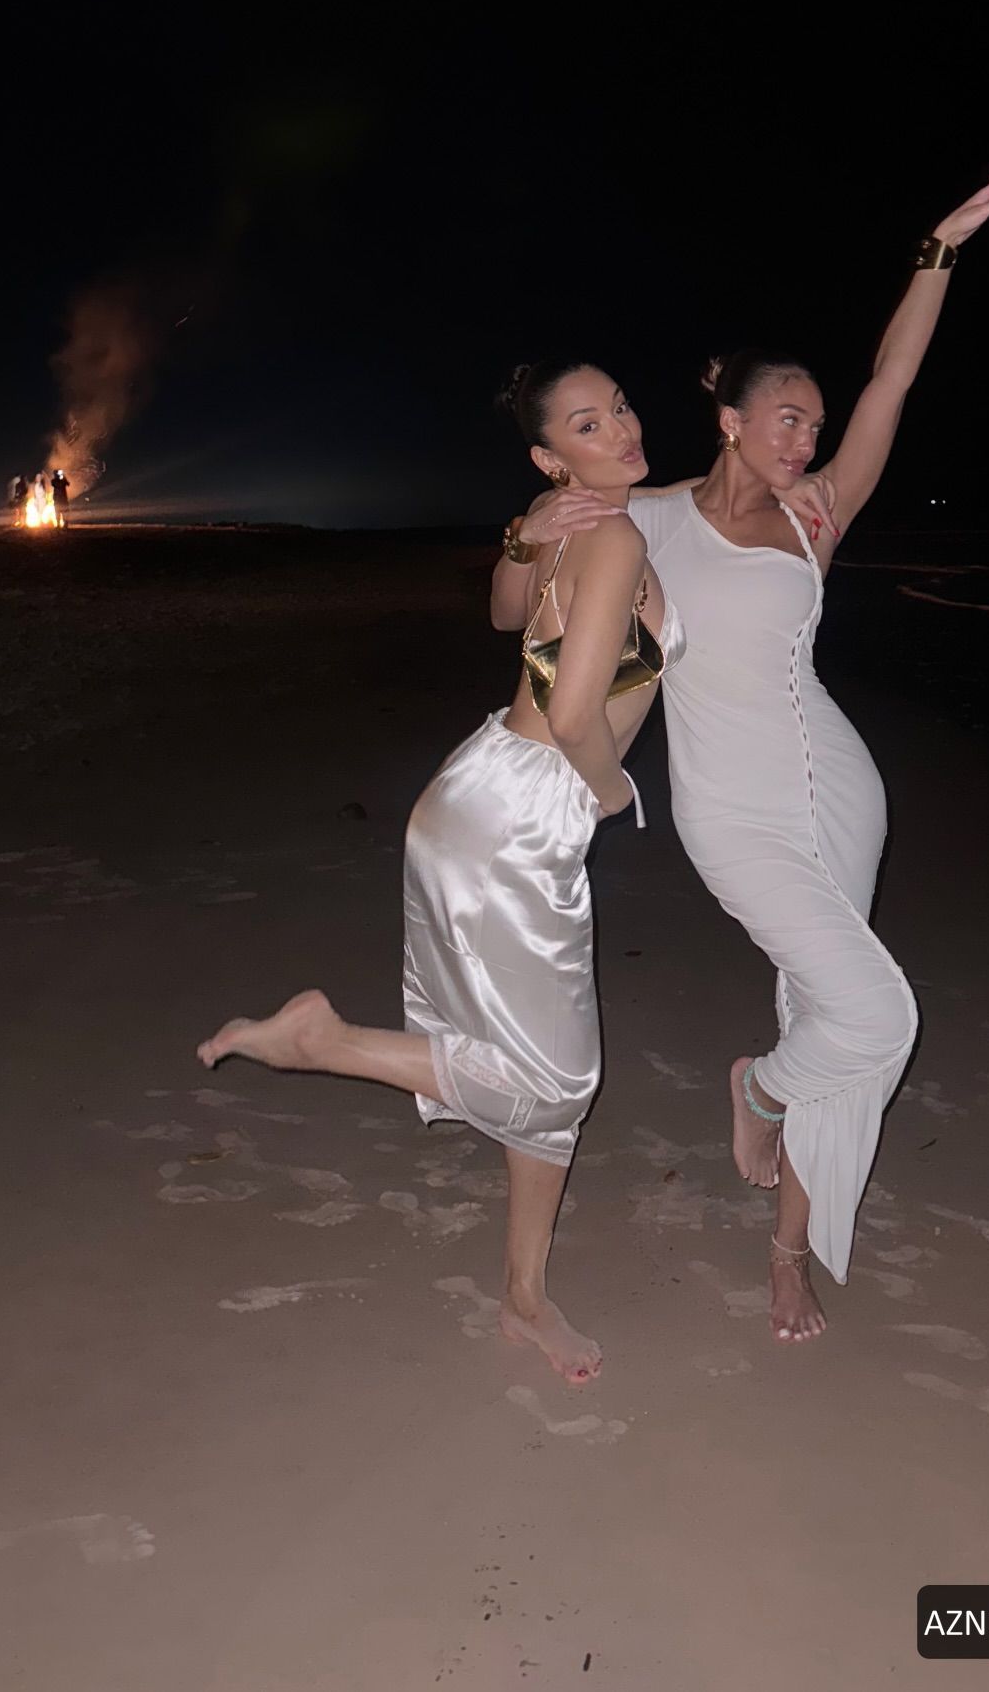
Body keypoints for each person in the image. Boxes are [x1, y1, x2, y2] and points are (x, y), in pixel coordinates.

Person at [492, 161, 989, 1344]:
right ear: (731, 419)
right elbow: (516, 608)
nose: (807, 437)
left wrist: (938, 249)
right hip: (729, 808)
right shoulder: (647, 517)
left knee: (833, 1010)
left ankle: (789, 1246)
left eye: (816, 426)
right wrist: (528, 532)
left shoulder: (815, 514)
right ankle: (763, 1088)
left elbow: (895, 377)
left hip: (839, 786)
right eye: (788, 417)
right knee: (876, 1013)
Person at [198, 360, 682, 1384]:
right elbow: (576, 713)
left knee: (536, 1065)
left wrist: (523, 533)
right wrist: (614, 797)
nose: (622, 427)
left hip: (476, 791)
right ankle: (323, 1043)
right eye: (589, 423)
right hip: (523, 814)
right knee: (555, 1079)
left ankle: (524, 1298)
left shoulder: (569, 526)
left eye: (620, 406)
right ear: (552, 456)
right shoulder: (615, 538)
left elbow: (507, 617)